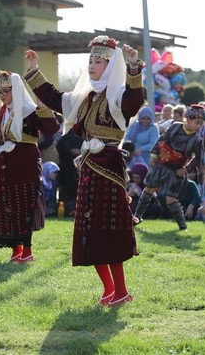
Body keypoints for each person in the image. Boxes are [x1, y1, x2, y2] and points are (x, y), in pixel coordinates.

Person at [24, 35, 142, 307]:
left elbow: (135, 101)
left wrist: (134, 68)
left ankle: (121, 290)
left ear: (111, 65)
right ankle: (109, 289)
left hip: (109, 167)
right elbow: (55, 98)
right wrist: (33, 71)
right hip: (89, 167)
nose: (92, 65)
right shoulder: (84, 96)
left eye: (99, 61)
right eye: (90, 60)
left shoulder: (119, 97)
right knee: (90, 228)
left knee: (109, 230)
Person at [0, 70, 59, 262]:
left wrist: (43, 107)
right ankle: (15, 249)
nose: (1, 95)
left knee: (25, 205)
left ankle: (27, 252)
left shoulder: (29, 110)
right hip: (5, 166)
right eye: (0, 91)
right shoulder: (0, 113)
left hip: (25, 164)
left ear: (16, 91)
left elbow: (51, 129)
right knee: (8, 205)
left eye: (6, 91)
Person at [132, 104, 205, 230]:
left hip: (177, 170)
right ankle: (137, 217)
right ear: (188, 119)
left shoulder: (197, 139)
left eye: (201, 124)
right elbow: (162, 139)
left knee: (171, 199)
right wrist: (154, 155)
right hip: (161, 164)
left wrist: (186, 169)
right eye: (197, 122)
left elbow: (198, 159)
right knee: (149, 189)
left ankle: (182, 226)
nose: (199, 126)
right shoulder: (175, 127)